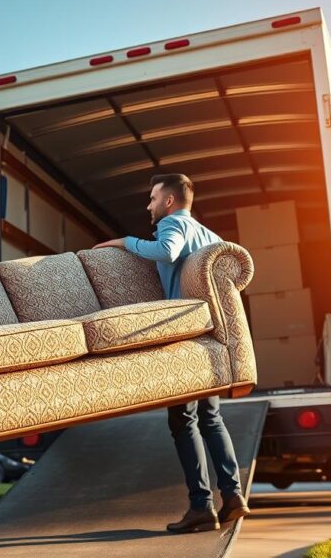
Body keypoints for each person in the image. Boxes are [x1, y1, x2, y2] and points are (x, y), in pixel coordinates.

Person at [92, 173, 250, 534]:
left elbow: (167, 251)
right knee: (210, 418)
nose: (148, 206)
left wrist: (123, 241)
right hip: (212, 335)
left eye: (152, 199)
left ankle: (201, 507)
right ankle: (234, 496)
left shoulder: (172, 224)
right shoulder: (211, 237)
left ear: (168, 201)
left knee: (184, 421)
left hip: (184, 337)